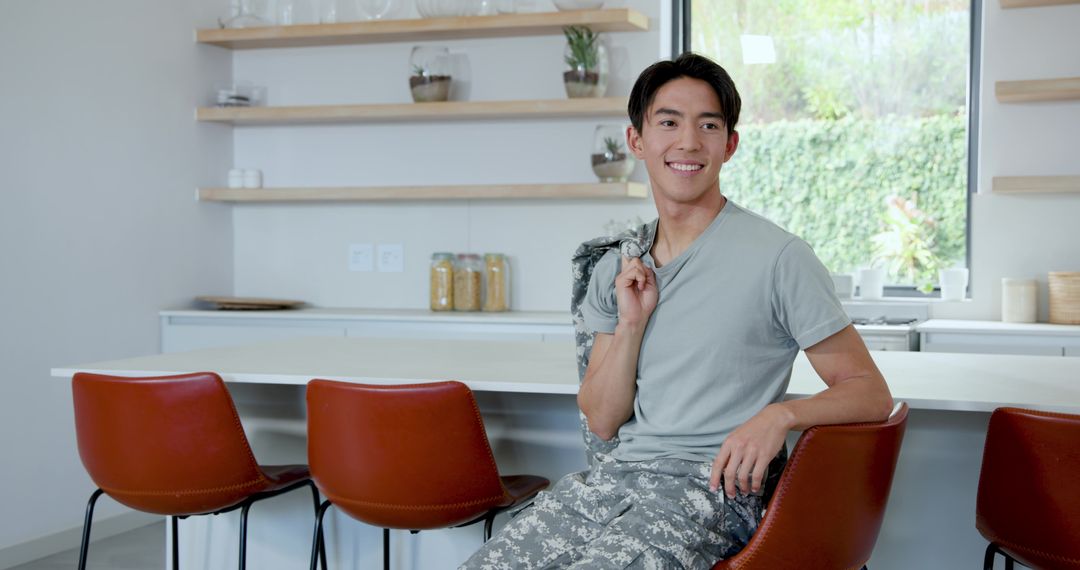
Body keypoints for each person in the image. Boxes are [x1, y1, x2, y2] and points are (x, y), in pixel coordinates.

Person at [460, 52, 894, 570]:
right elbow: (601, 420)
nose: (688, 142)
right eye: (668, 122)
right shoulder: (619, 267)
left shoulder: (780, 258)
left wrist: (782, 415)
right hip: (609, 488)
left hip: (708, 494)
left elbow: (871, 392)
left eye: (708, 125)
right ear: (637, 141)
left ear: (729, 145)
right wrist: (631, 323)